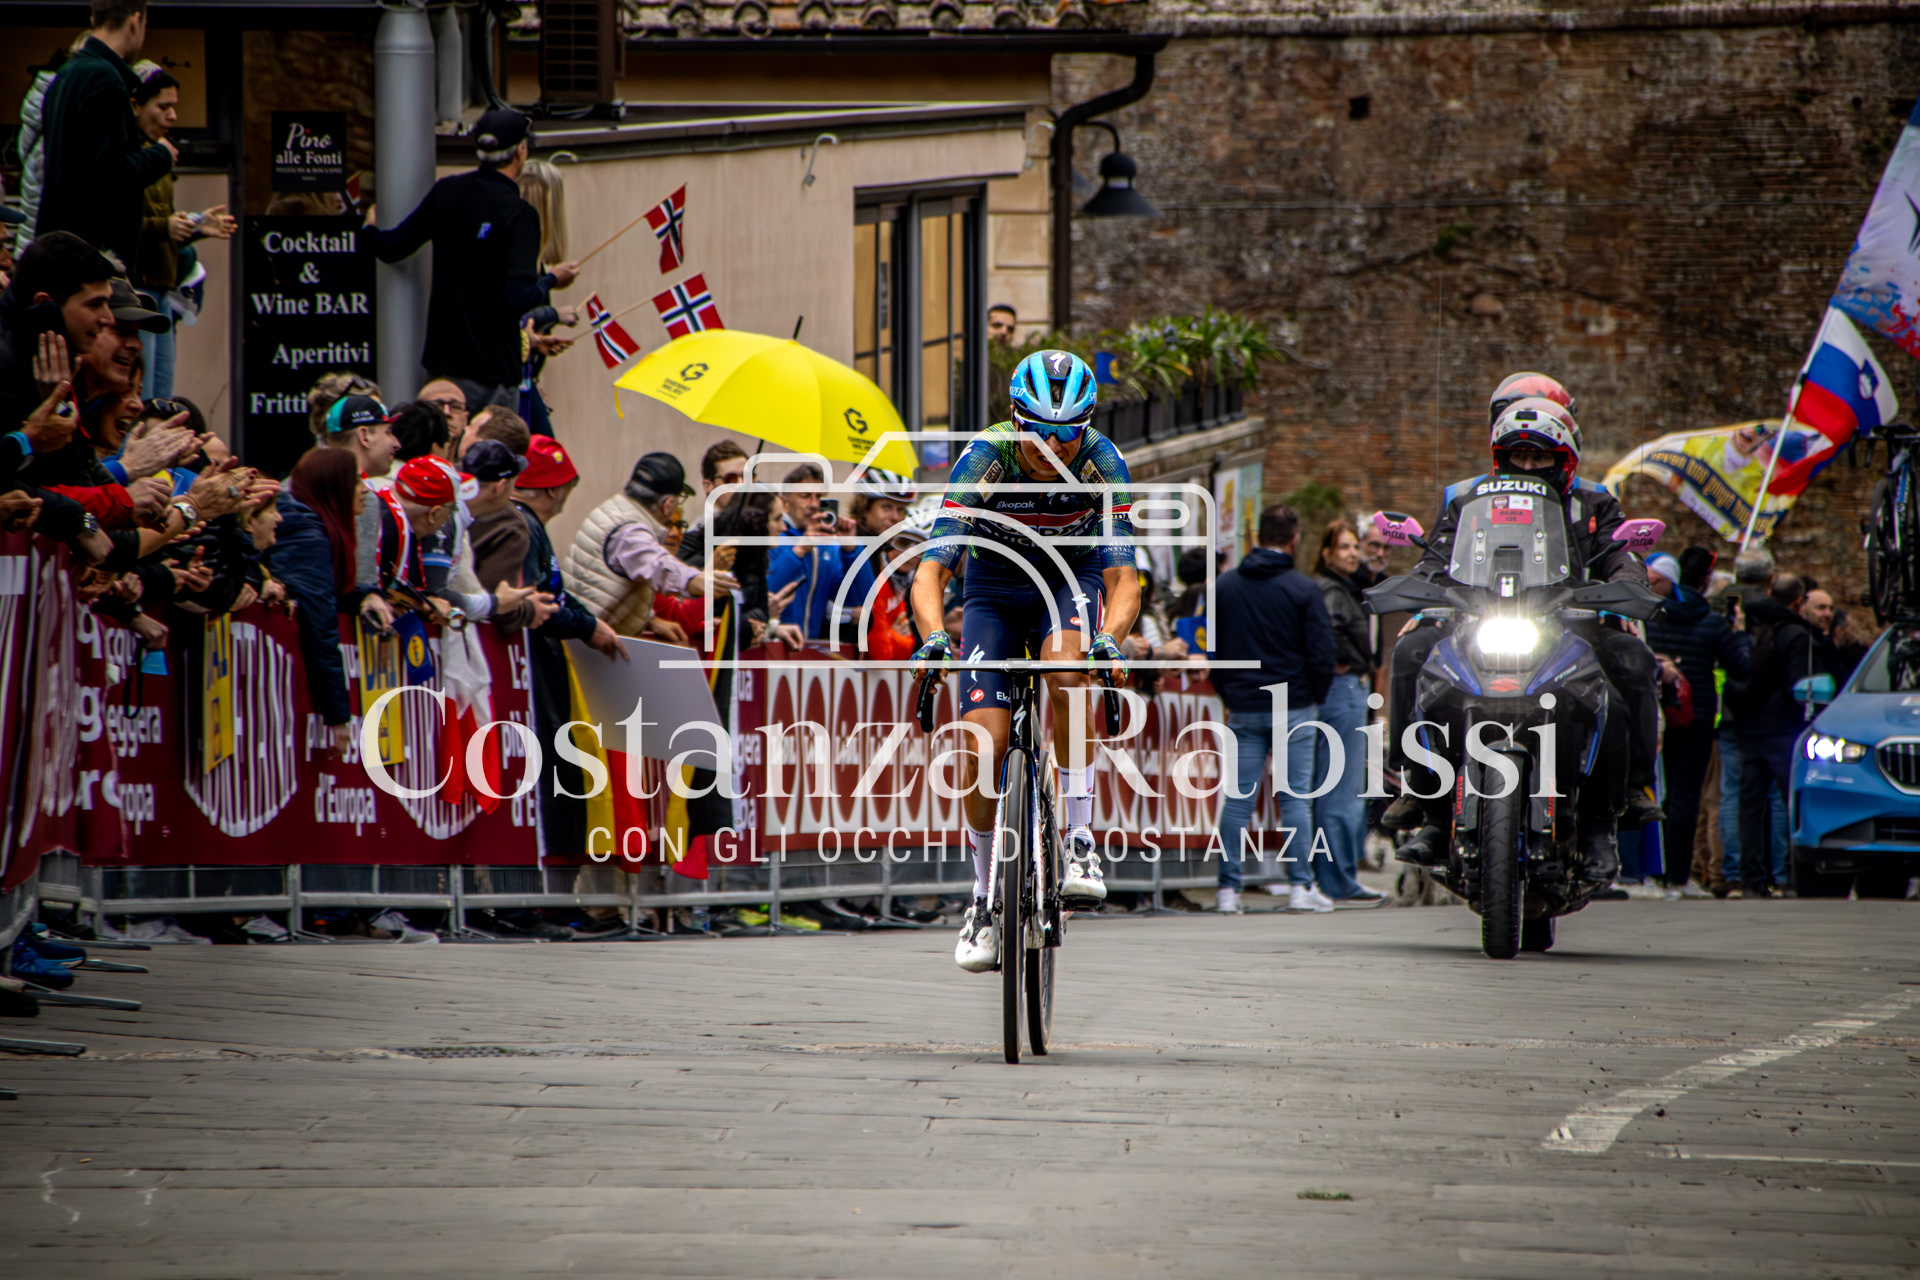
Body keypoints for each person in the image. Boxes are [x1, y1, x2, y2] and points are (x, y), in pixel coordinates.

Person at [908, 349, 1140, 971]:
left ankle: (1082, 838)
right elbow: (931, 570)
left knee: (1068, 671)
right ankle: (983, 899)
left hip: (1070, 580)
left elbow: (1123, 577)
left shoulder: (1102, 461)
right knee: (980, 747)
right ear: (1015, 419)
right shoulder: (986, 457)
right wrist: (933, 636)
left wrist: (1110, 638)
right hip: (995, 594)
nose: (1055, 448)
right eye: (1039, 432)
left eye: (1069, 433)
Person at [1385, 374, 1662, 832]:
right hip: (1482, 619)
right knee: (1411, 653)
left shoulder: (1594, 501)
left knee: (1632, 661)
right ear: (1502, 456)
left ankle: (1625, 794)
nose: (1529, 465)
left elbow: (1620, 552)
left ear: (1563, 458)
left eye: (1540, 457)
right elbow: (1439, 554)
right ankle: (1417, 787)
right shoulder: (1468, 498)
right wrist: (1422, 598)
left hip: (1571, 622)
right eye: (1520, 456)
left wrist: (1626, 588)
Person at [362, 109, 579, 413]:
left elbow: (392, 247)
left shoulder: (447, 191)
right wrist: (553, 278)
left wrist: (368, 228)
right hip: (492, 373)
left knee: (443, 454)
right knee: (489, 456)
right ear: (521, 150)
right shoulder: (519, 215)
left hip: (443, 368)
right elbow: (520, 298)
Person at [1202, 503, 1339, 915]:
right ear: (1294, 540)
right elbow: (1322, 653)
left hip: (1244, 704)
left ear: (1257, 537)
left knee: (1238, 799)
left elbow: (1214, 652)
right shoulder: (1304, 589)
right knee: (1296, 798)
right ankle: (1301, 886)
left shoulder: (1224, 588)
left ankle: (1228, 891)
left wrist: (1230, 694)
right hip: (1294, 703)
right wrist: (1314, 693)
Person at [35, 0, 175, 274]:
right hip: (96, 262)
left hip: (65, 252)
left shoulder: (66, 76)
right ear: (135, 21)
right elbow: (108, 174)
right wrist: (161, 155)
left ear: (93, 17)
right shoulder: (105, 79)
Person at [1645, 545, 1751, 898]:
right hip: (1695, 716)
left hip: (1649, 712)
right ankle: (1677, 877)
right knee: (1684, 797)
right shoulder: (1711, 621)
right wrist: (1737, 633)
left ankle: (1647, 873)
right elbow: (1740, 668)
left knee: (1646, 791)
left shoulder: (1644, 617)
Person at [129, 61, 233, 400]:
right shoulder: (127, 157)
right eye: (163, 107)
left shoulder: (158, 154)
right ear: (135, 105)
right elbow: (112, 222)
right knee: (141, 394)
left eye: (174, 107)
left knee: (160, 395)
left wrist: (198, 224)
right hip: (135, 292)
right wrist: (165, 226)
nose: (173, 117)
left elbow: (165, 221)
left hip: (163, 288)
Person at [565, 450, 737, 638]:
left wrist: (650, 620)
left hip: (579, 631)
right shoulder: (630, 530)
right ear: (668, 503)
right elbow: (658, 566)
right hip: (584, 641)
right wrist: (695, 580)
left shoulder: (615, 510)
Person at [273, 447, 377, 755]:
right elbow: (321, 626)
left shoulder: (311, 530)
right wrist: (337, 716)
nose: (365, 490)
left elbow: (327, 591)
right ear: (335, 485)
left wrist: (366, 596)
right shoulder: (308, 538)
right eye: (357, 481)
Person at [1726, 572, 1824, 897]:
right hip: (1784, 732)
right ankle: (1792, 876)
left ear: (1770, 591)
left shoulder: (1748, 628)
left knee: (1748, 807)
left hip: (1748, 728)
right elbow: (1800, 685)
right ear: (1799, 600)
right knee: (1792, 803)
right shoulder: (1797, 635)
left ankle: (1751, 879)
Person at [1308, 519, 1387, 909]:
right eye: (1344, 547)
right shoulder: (1332, 591)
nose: (1353, 553)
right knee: (1341, 789)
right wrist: (1342, 665)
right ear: (1326, 554)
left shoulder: (1348, 589)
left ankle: (1337, 877)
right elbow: (1328, 639)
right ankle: (1338, 879)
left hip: (1351, 689)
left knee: (1339, 787)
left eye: (1355, 546)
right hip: (1343, 690)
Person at [513, 158, 577, 437]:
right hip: (512, 378)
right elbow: (516, 311)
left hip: (526, 375)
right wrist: (555, 313)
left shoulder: (534, 261)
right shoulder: (521, 259)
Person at [767, 462, 853, 642]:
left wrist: (851, 549)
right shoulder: (774, 537)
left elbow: (855, 598)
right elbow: (766, 592)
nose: (814, 504)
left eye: (820, 498)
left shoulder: (828, 545)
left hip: (807, 651)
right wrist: (799, 551)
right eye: (805, 496)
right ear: (785, 502)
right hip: (771, 647)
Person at [675, 439, 748, 568]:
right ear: (708, 485)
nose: (741, 485)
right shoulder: (696, 535)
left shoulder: (759, 526)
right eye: (730, 479)